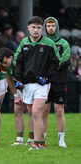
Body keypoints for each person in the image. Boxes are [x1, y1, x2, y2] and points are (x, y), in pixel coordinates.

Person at [15, 16, 60, 150]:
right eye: (33, 27)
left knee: (36, 112)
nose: (36, 30)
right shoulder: (24, 43)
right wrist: (18, 80)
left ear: (42, 29)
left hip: (42, 85)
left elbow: (55, 63)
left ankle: (36, 143)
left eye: (39, 28)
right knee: (32, 113)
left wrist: (46, 78)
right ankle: (41, 143)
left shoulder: (48, 43)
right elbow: (19, 63)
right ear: (28, 28)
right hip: (27, 85)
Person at [0, 47, 34, 146]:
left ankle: (31, 139)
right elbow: (9, 79)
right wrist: (16, 95)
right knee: (17, 109)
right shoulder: (2, 65)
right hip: (19, 85)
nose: (4, 65)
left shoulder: (20, 61)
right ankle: (19, 139)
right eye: (2, 64)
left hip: (30, 83)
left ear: (11, 57)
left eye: (6, 62)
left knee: (31, 110)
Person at [43, 17, 70, 148]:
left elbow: (65, 59)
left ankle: (61, 140)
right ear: (45, 27)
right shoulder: (42, 42)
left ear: (57, 27)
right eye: (48, 26)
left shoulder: (64, 43)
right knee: (44, 111)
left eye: (53, 25)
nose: (51, 28)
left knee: (59, 111)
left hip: (59, 81)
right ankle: (42, 139)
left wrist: (52, 64)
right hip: (44, 82)